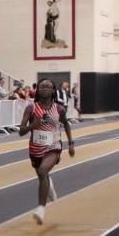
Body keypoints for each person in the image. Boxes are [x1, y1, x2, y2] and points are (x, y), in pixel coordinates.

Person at [18, 78, 74, 225]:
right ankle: (50, 187)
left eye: (48, 87)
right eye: (41, 86)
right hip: (36, 148)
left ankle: (41, 210)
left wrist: (71, 143)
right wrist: (33, 125)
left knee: (43, 171)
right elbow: (21, 131)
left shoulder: (59, 109)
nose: (44, 89)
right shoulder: (31, 108)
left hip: (53, 146)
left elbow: (66, 124)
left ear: (53, 90)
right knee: (42, 175)